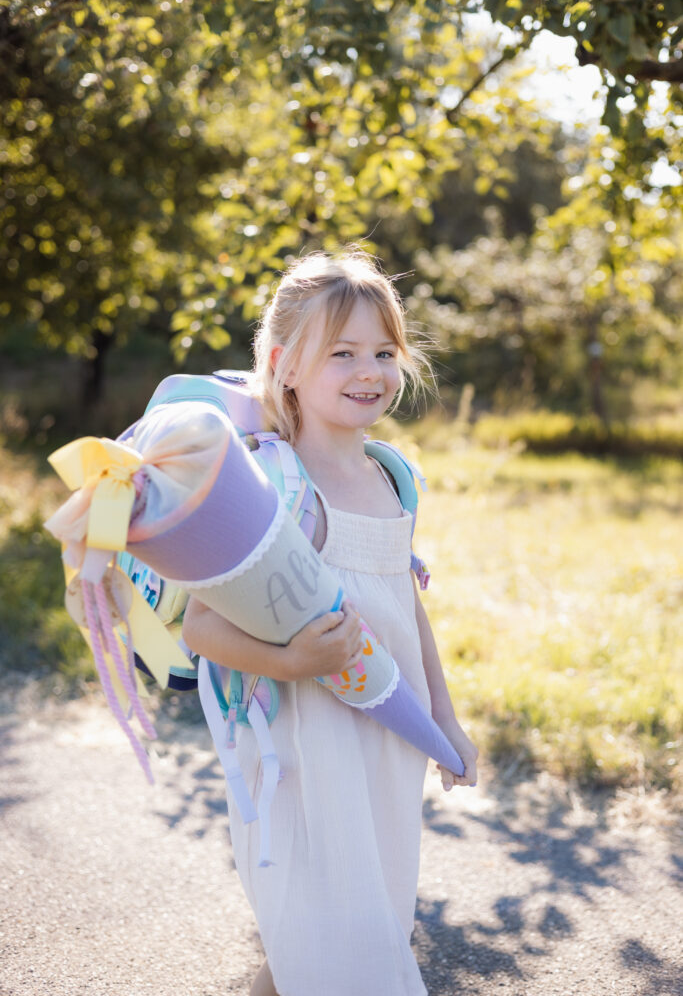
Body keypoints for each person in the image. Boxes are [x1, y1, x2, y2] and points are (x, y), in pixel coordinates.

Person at [182, 249, 478, 996]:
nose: (367, 371)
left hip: (384, 740)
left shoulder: (392, 475)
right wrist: (289, 663)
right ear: (284, 364)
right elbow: (199, 628)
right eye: (341, 353)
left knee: (360, 921)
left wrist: (442, 718)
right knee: (331, 936)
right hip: (300, 747)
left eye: (383, 351)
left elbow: (406, 606)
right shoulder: (270, 482)